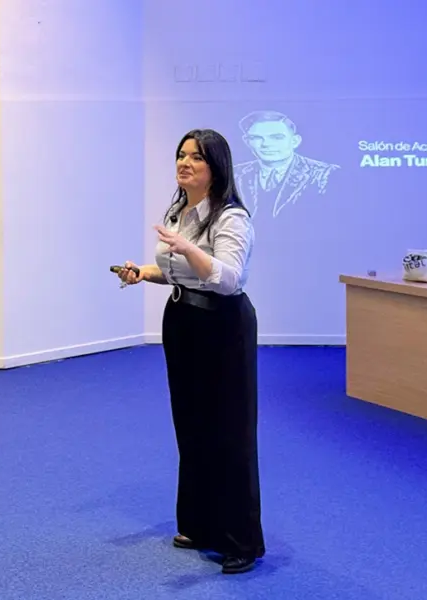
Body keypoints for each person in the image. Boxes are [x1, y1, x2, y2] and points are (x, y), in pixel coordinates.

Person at [115, 129, 265, 574]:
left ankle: (241, 541)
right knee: (193, 427)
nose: (184, 163)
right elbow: (179, 272)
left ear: (216, 168)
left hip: (223, 327)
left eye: (196, 158)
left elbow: (228, 277)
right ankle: (199, 524)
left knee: (230, 432)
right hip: (183, 323)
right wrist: (143, 271)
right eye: (181, 155)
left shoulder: (231, 217)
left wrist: (187, 250)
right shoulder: (179, 211)